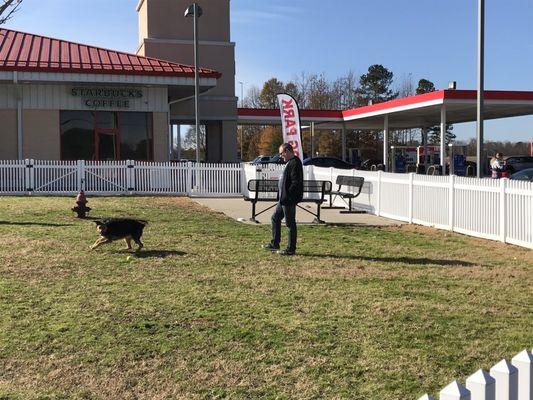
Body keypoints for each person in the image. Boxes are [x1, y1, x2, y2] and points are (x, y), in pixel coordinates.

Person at [263, 143, 304, 256]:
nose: (281, 156)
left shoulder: (295, 163)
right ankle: (275, 243)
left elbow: (296, 182)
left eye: (281, 153)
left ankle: (291, 249)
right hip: (283, 199)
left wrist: (288, 195)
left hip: (288, 199)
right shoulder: (290, 163)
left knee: (290, 223)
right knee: (275, 218)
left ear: (287, 151)